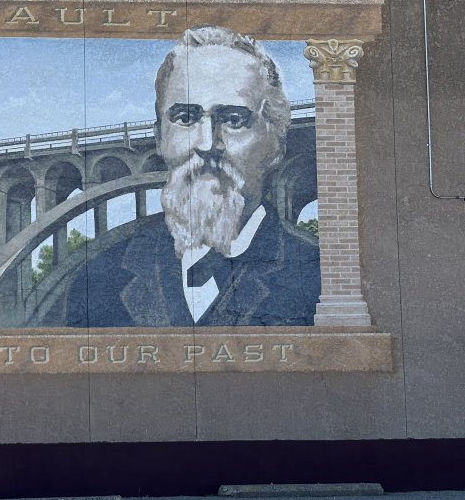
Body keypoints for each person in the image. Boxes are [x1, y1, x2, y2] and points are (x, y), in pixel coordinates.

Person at [66, 24, 320, 327]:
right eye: (186, 117)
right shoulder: (98, 278)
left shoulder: (322, 277)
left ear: (276, 143)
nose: (206, 144)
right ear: (160, 138)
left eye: (234, 120)